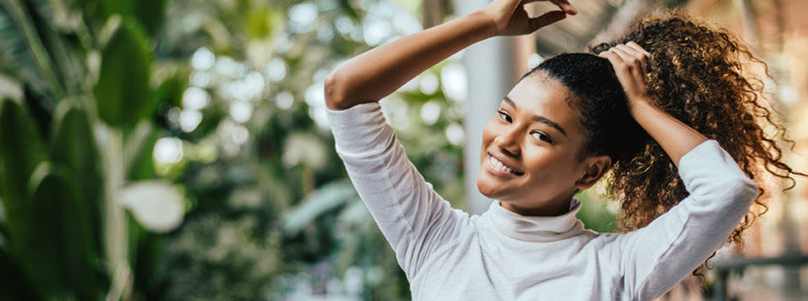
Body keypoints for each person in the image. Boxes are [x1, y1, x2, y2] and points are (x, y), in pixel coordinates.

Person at [323, 0, 803, 299]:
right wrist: (485, 23)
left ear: (591, 172)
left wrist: (641, 106)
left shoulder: (614, 268)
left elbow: (727, 190)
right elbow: (346, 94)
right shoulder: (434, 239)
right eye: (507, 115)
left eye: (542, 135)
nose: (505, 141)